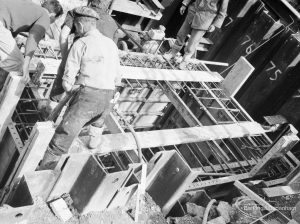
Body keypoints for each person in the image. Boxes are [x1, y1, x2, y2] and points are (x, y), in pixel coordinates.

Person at [40, 6, 122, 169]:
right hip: (108, 98)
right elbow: (118, 77)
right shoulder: (111, 44)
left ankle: (44, 169)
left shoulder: (81, 43)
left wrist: (70, 89)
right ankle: (93, 141)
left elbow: (67, 81)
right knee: (96, 123)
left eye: (76, 27)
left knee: (61, 139)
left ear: (81, 25)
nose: (76, 30)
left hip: (87, 97)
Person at [50, 0, 120, 102]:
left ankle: (52, 105)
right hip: (96, 69)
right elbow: (112, 51)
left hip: (78, 54)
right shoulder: (113, 24)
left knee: (63, 86)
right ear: (108, 5)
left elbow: (63, 36)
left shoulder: (79, 12)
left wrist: (65, 59)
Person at [0, 0, 63, 89]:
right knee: (17, 61)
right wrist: (25, 67)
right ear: (52, 15)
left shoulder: (30, 7)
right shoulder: (45, 16)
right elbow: (33, 39)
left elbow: (11, 30)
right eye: (55, 20)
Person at [165, 0, 229, 67]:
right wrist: (184, 4)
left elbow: (222, 12)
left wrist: (214, 25)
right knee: (181, 34)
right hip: (193, 12)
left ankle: (185, 60)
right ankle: (173, 52)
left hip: (205, 20)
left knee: (193, 42)